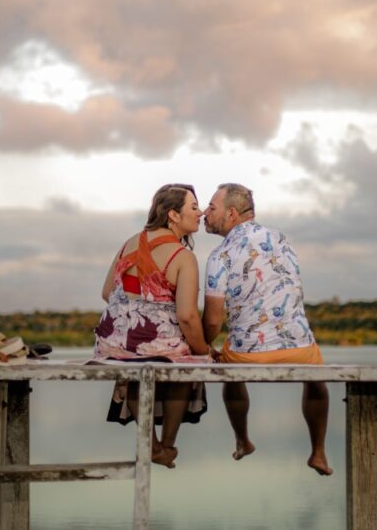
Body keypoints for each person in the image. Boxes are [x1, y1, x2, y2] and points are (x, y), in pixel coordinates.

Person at [202, 183, 333, 476]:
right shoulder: (282, 239)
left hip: (247, 358)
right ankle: (319, 453)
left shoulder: (219, 255)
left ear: (231, 213)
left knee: (228, 368)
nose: (204, 214)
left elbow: (212, 322)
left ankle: (242, 440)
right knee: (316, 379)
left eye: (212, 208)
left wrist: (202, 347)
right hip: (299, 351)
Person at [93, 183, 213, 468]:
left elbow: (107, 292)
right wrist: (204, 349)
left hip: (113, 341)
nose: (201, 213)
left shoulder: (129, 243)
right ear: (173, 215)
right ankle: (165, 445)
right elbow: (186, 316)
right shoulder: (183, 257)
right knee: (189, 364)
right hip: (154, 341)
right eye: (194, 207)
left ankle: (153, 444)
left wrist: (136, 310)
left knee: (135, 369)